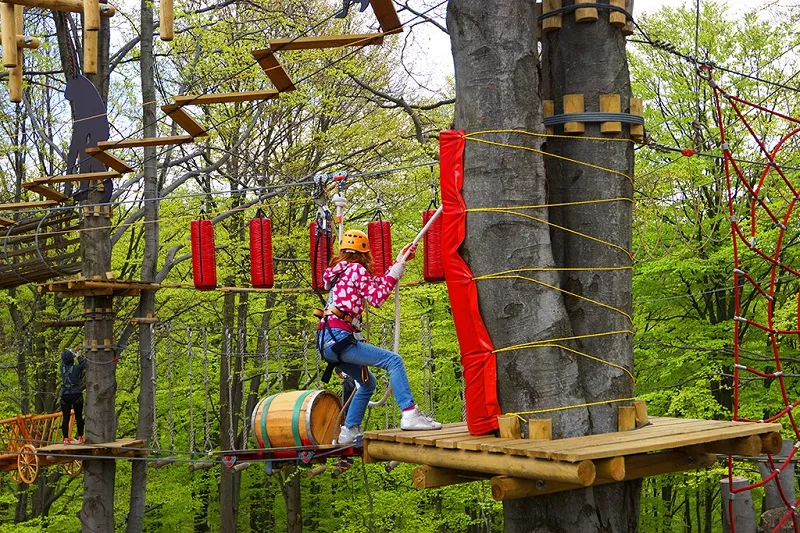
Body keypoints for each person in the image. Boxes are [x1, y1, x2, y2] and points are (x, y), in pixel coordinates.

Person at [318, 229, 442, 445]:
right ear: (364, 255)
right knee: (394, 361)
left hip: (327, 340)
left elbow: (376, 285)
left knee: (367, 383)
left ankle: (349, 430)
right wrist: (395, 273)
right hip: (339, 336)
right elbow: (376, 297)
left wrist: (399, 263)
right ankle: (410, 413)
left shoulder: (340, 272)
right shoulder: (356, 269)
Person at [60, 348, 85, 444]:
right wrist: (78, 355)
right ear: (72, 359)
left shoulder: (61, 368)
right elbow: (83, 363)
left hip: (65, 395)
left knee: (66, 417)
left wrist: (70, 353)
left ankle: (66, 438)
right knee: (79, 416)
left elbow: (64, 361)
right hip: (76, 394)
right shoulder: (76, 368)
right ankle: (80, 437)